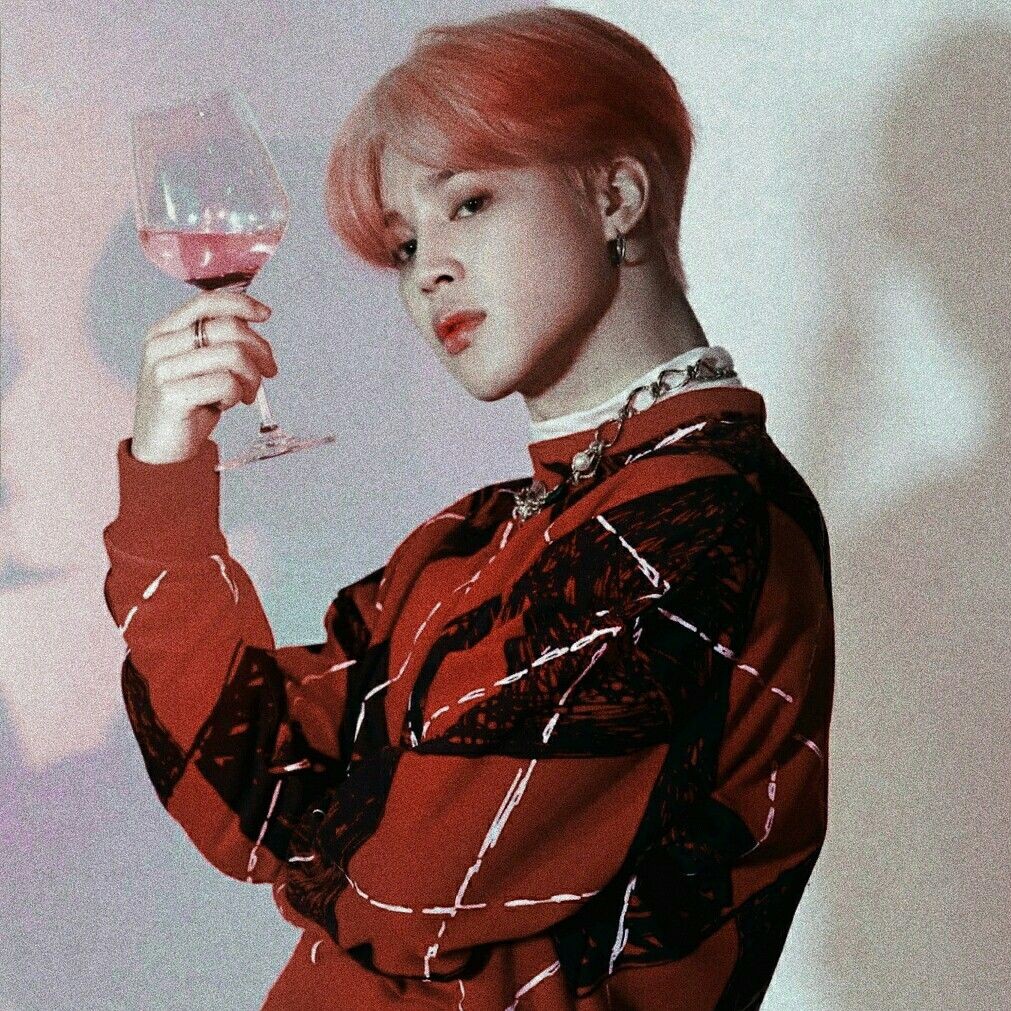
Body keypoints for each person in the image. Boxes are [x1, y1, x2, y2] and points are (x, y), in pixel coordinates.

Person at [102, 6, 834, 1009]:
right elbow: (248, 781)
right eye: (404, 246)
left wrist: (336, 816)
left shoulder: (693, 523)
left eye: (470, 204)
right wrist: (166, 479)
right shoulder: (484, 532)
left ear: (616, 196)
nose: (429, 271)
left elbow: (407, 896)